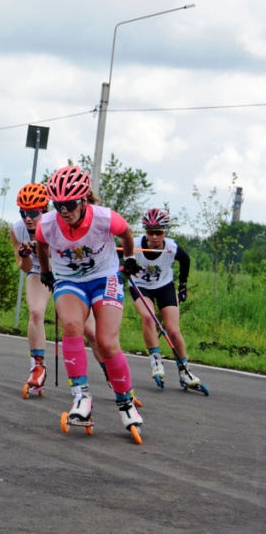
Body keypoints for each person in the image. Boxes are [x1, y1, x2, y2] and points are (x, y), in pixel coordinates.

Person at [35, 165, 143, 437]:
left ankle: (125, 402)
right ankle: (81, 397)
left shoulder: (105, 218)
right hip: (69, 280)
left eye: (69, 204)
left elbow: (127, 233)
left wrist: (128, 259)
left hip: (104, 277)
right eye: (57, 204)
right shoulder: (47, 224)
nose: (63, 211)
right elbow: (41, 244)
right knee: (72, 325)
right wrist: (46, 272)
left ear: (83, 200)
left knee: (106, 342)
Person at [128, 208, 198, 389]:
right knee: (148, 316)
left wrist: (183, 285)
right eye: (150, 232)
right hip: (141, 287)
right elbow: (114, 258)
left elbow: (186, 260)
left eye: (158, 232)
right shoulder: (134, 245)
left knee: (173, 330)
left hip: (164, 286)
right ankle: (156, 361)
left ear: (164, 231)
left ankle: (185, 371)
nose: (154, 237)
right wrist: (125, 267)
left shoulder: (172, 248)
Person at [10, 183, 51, 394]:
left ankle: (115, 379)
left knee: (88, 328)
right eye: (23, 212)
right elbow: (24, 267)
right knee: (35, 312)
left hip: (62, 271)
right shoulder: (18, 229)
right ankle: (37, 366)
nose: (27, 217)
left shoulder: (57, 226)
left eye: (33, 213)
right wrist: (26, 256)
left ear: (43, 210)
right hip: (37, 271)